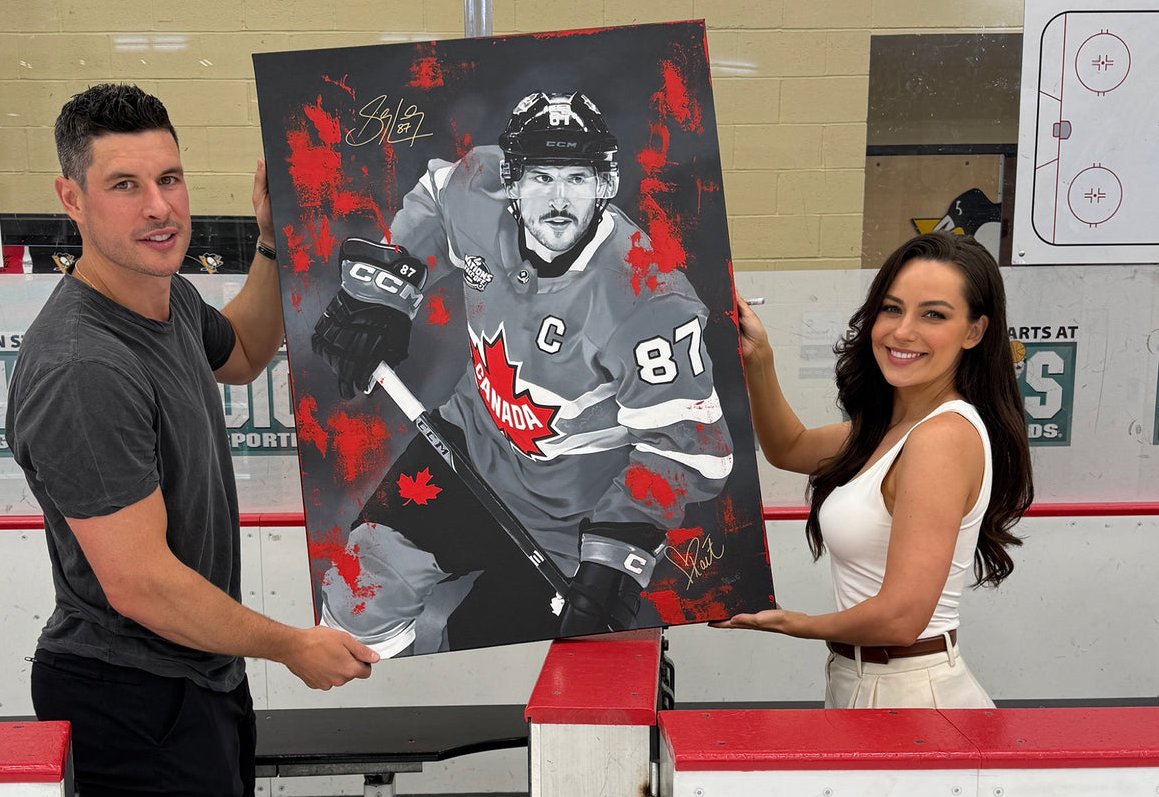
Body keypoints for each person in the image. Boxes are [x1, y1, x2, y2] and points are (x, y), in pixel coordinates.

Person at [5, 84, 379, 797]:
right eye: (124, 185)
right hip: (129, 688)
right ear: (71, 198)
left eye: (168, 178)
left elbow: (242, 349)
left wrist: (275, 243)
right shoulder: (84, 366)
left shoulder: (162, 296)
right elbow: (140, 584)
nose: (158, 207)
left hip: (201, 669)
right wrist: (290, 646)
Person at [311, 90, 734, 655]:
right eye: (540, 178)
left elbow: (690, 451)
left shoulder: (647, 298)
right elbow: (435, 203)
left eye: (576, 179)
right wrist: (387, 294)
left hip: (570, 518)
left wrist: (615, 555)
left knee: (490, 656)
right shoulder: (476, 190)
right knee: (357, 595)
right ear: (510, 181)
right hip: (467, 448)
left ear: (606, 184)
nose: (558, 199)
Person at [713, 231, 1033, 708]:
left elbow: (901, 619)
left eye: (933, 315)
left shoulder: (940, 437)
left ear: (975, 331)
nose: (902, 331)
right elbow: (790, 447)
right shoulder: (896, 428)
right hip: (872, 681)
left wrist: (793, 623)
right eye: (891, 308)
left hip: (909, 694)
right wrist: (759, 357)